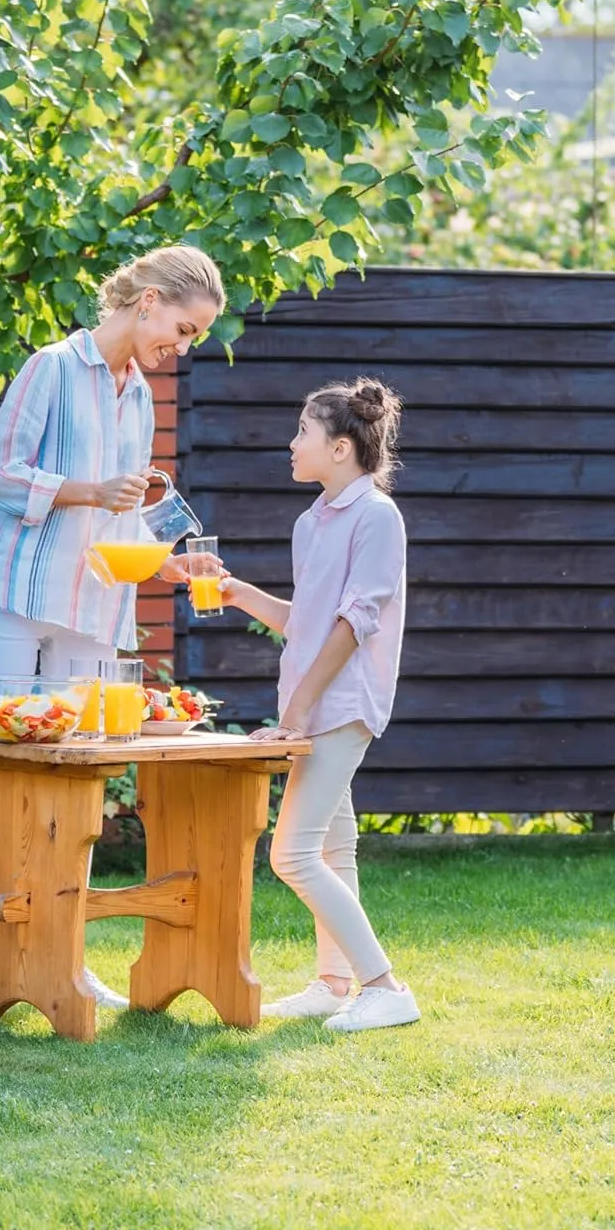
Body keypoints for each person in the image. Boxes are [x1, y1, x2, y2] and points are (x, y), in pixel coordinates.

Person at [0, 246, 226, 1006]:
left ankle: (61, 959)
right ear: (148, 301)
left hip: (95, 610)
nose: (183, 347)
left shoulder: (141, 398)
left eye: (193, 335)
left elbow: (123, 516)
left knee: (77, 785)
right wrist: (88, 490)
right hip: (16, 598)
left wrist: (166, 565)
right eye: (184, 328)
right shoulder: (53, 368)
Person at [219, 377, 419, 1033]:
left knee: (291, 854)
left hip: (342, 707)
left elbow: (354, 623)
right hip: (314, 705)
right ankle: (335, 983)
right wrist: (235, 593)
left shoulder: (377, 517)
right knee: (334, 850)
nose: (291, 443)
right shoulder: (312, 523)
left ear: (339, 447)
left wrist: (297, 711)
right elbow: (306, 621)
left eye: (302, 432)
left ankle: (385, 987)